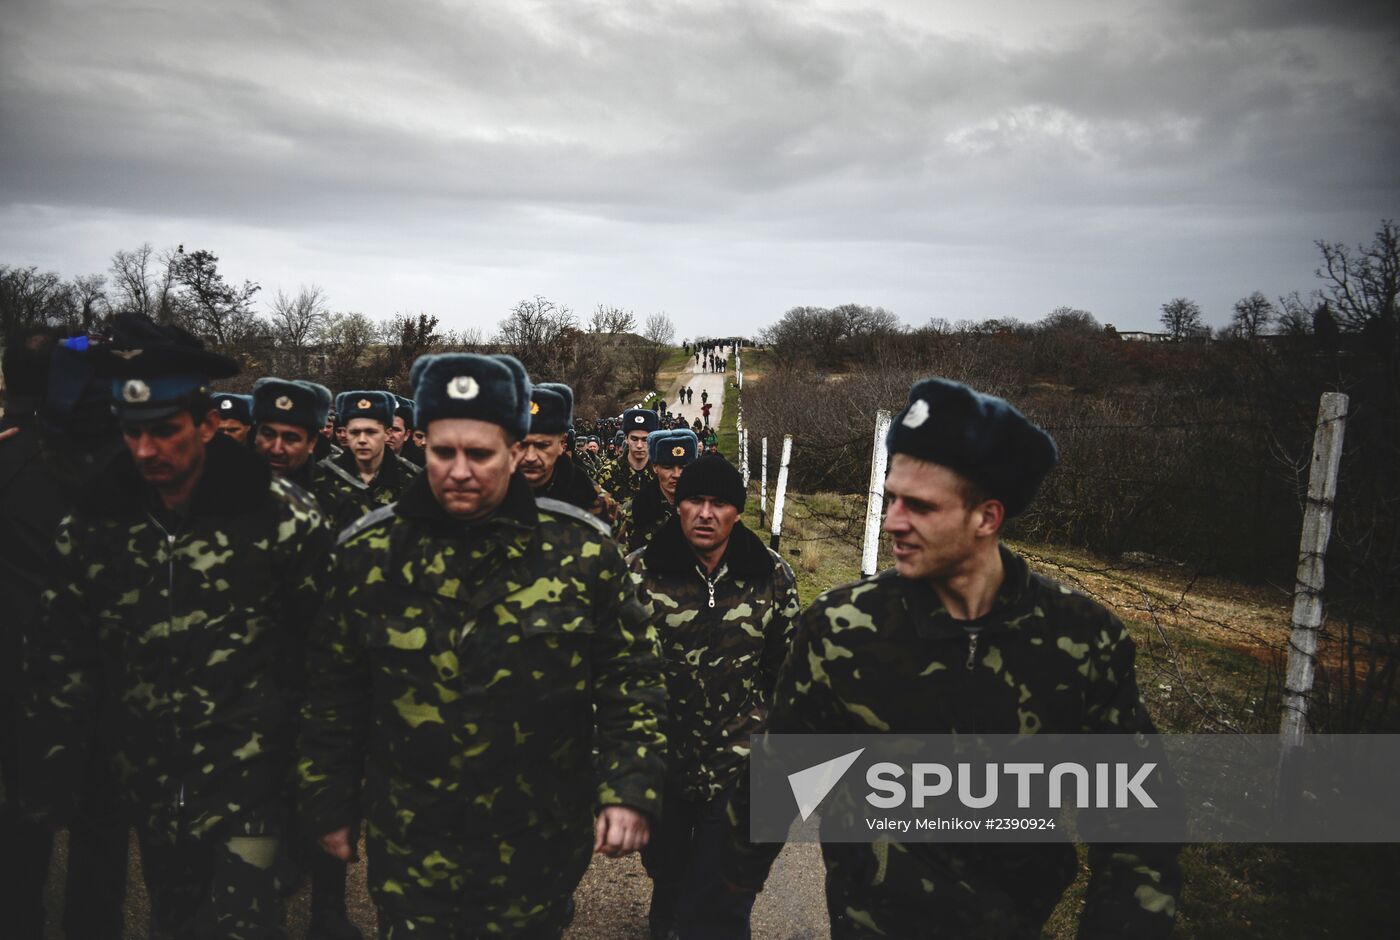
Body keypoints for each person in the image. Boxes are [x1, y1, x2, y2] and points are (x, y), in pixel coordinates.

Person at [721, 377, 1181, 938]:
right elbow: (779, 774)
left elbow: (1137, 820)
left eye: (919, 506)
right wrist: (726, 891)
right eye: (891, 498)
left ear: (987, 517)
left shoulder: (1082, 642)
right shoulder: (840, 629)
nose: (892, 521)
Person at [298, 353, 668, 938]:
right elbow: (332, 693)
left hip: (537, 843)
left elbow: (631, 678)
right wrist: (327, 798)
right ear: (421, 446)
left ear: (517, 450)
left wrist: (629, 787)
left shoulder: (581, 552)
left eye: (481, 454)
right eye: (444, 453)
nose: (460, 471)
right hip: (412, 843)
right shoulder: (369, 555)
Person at [22, 313, 334, 939]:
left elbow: (329, 657)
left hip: (255, 786)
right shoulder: (96, 521)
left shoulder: (280, 519)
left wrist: (322, 788)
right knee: (175, 919)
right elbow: (63, 654)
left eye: (164, 432)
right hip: (151, 785)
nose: (145, 452)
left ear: (209, 424)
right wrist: (51, 772)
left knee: (239, 925)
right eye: (131, 433)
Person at [628, 455, 798, 940]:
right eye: (694, 501)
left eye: (719, 503)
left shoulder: (771, 576)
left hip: (737, 762)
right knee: (668, 869)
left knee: (722, 888)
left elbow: (786, 673)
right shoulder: (638, 574)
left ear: (737, 512)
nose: (705, 513)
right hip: (661, 757)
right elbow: (615, 674)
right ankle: (665, 920)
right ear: (677, 506)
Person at [1, 332, 129, 940]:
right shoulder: (124, 460)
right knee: (101, 824)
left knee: (21, 819)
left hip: (20, 675)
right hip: (104, 676)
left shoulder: (16, 455)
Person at [248, 377, 362, 939]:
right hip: (250, 678)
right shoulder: (228, 492)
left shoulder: (339, 495)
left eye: (290, 437)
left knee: (325, 793)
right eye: (266, 434)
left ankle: (329, 909)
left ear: (315, 440)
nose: (276, 448)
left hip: (318, 671)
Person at [519, 382, 625, 532]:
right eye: (521, 445)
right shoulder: (486, 494)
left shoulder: (598, 504)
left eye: (542, 445)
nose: (530, 457)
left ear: (562, 443)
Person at [323, 390, 416, 515]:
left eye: (371, 432)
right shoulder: (323, 475)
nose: (362, 440)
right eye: (355, 432)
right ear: (346, 433)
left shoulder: (411, 480)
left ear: (387, 434)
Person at [625, 428, 697, 554]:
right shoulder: (633, 512)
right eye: (668, 467)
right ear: (655, 467)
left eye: (683, 467)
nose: (676, 474)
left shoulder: (705, 511)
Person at [598, 406, 659, 504]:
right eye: (634, 439)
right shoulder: (608, 473)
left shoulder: (659, 473)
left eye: (645, 440)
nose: (639, 446)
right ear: (626, 439)